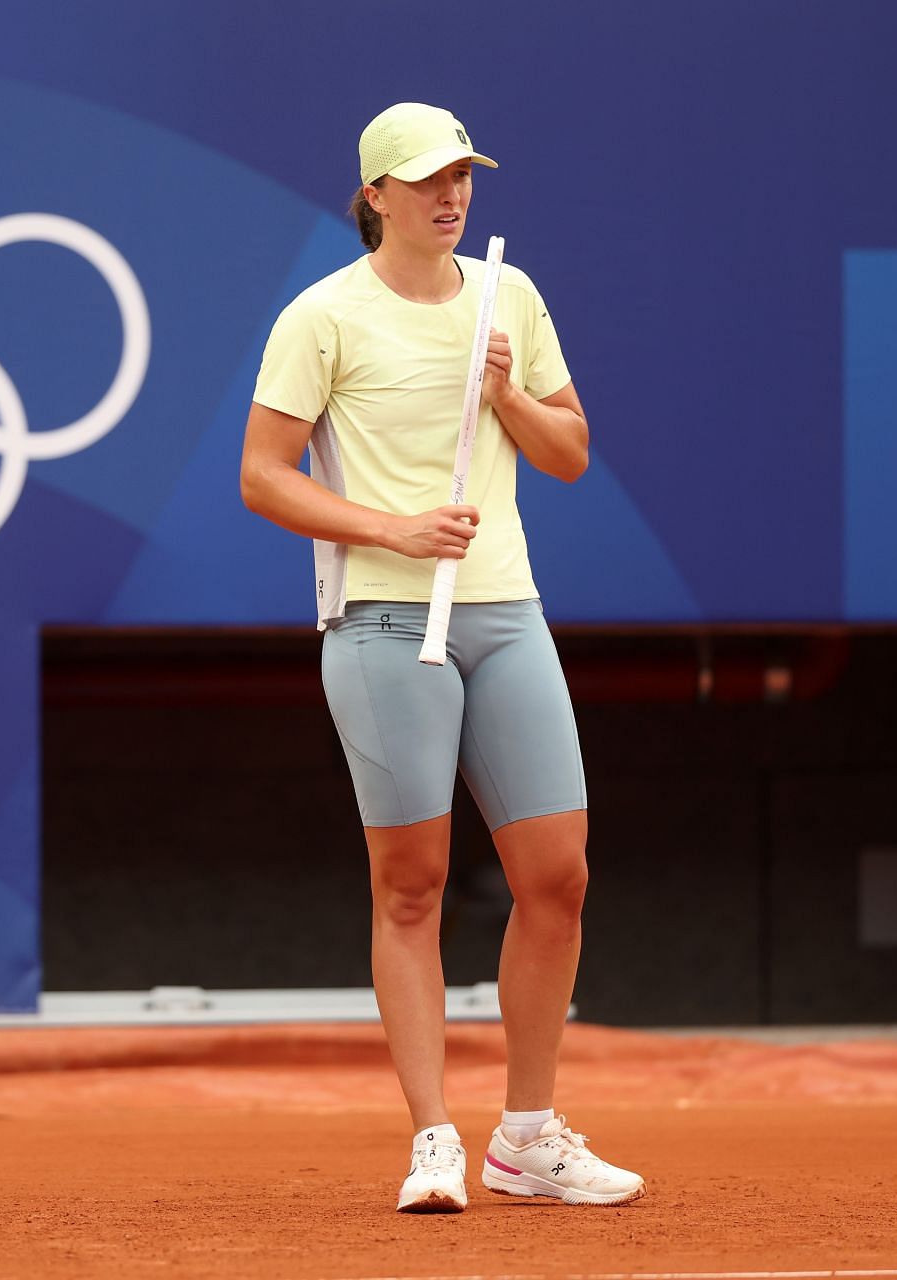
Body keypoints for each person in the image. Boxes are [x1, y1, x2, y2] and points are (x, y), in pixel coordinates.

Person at [239, 102, 645, 1213]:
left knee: (557, 875)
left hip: (505, 609)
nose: (451, 195)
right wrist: (391, 527)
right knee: (410, 888)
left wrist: (506, 390)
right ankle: (432, 1136)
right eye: (426, 180)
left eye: (462, 176)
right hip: (380, 620)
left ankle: (526, 1133)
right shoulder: (321, 316)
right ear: (376, 195)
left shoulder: (510, 297)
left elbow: (568, 453)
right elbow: (264, 475)